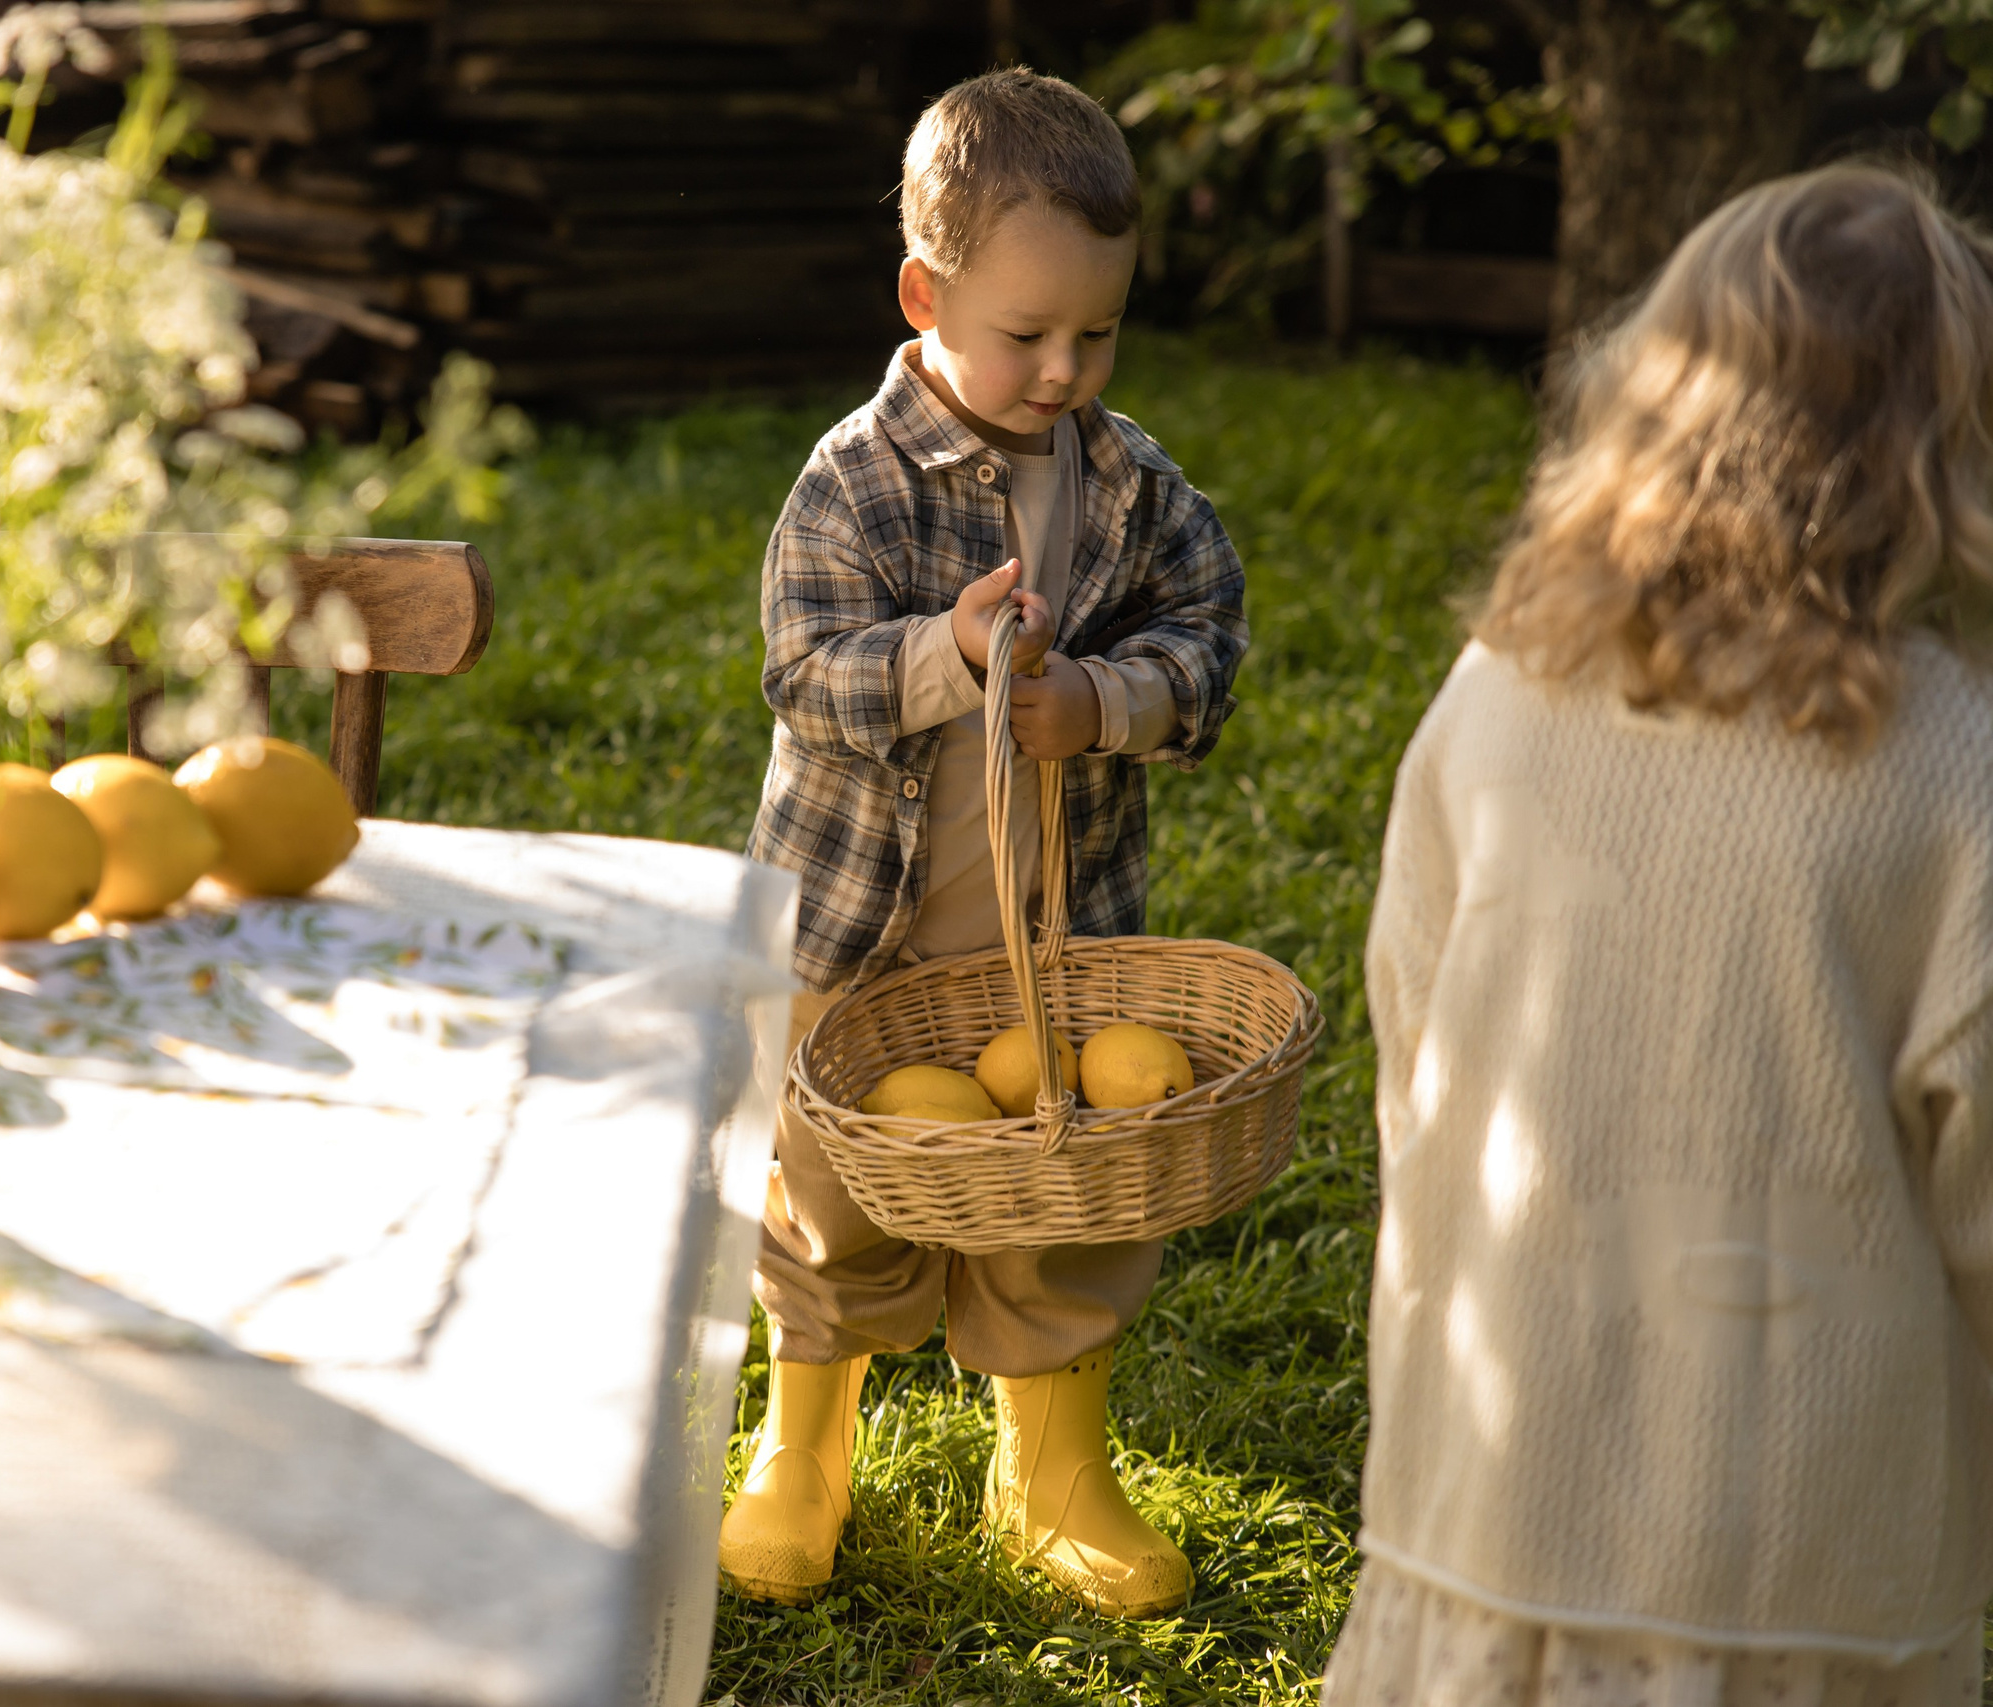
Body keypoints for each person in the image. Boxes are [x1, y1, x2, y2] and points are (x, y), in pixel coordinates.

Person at [1332, 162, 1993, 1705]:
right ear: (1941, 444)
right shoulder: (1955, 764)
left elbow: (1412, 1038)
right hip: (1803, 1549)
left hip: (1489, 1484)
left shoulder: (1496, 691)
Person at [720, 67, 1250, 1615]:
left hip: (1058, 936)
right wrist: (946, 656)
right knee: (830, 1197)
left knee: (1062, 1195)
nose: (1064, 368)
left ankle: (1052, 1465)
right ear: (926, 295)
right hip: (857, 932)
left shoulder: (1134, 487)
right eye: (1027, 334)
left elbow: (1207, 644)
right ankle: (803, 1441)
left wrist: (1106, 700)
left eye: (1098, 332)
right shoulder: (854, 480)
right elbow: (802, 672)